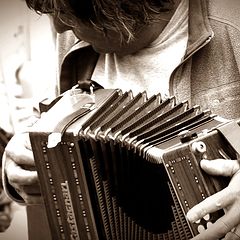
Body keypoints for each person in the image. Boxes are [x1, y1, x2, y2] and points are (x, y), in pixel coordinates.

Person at [2, 0, 240, 239]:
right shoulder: (73, 36)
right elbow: (49, 120)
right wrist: (18, 160)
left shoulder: (232, 20)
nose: (60, 27)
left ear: (116, 8)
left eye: (66, 14)